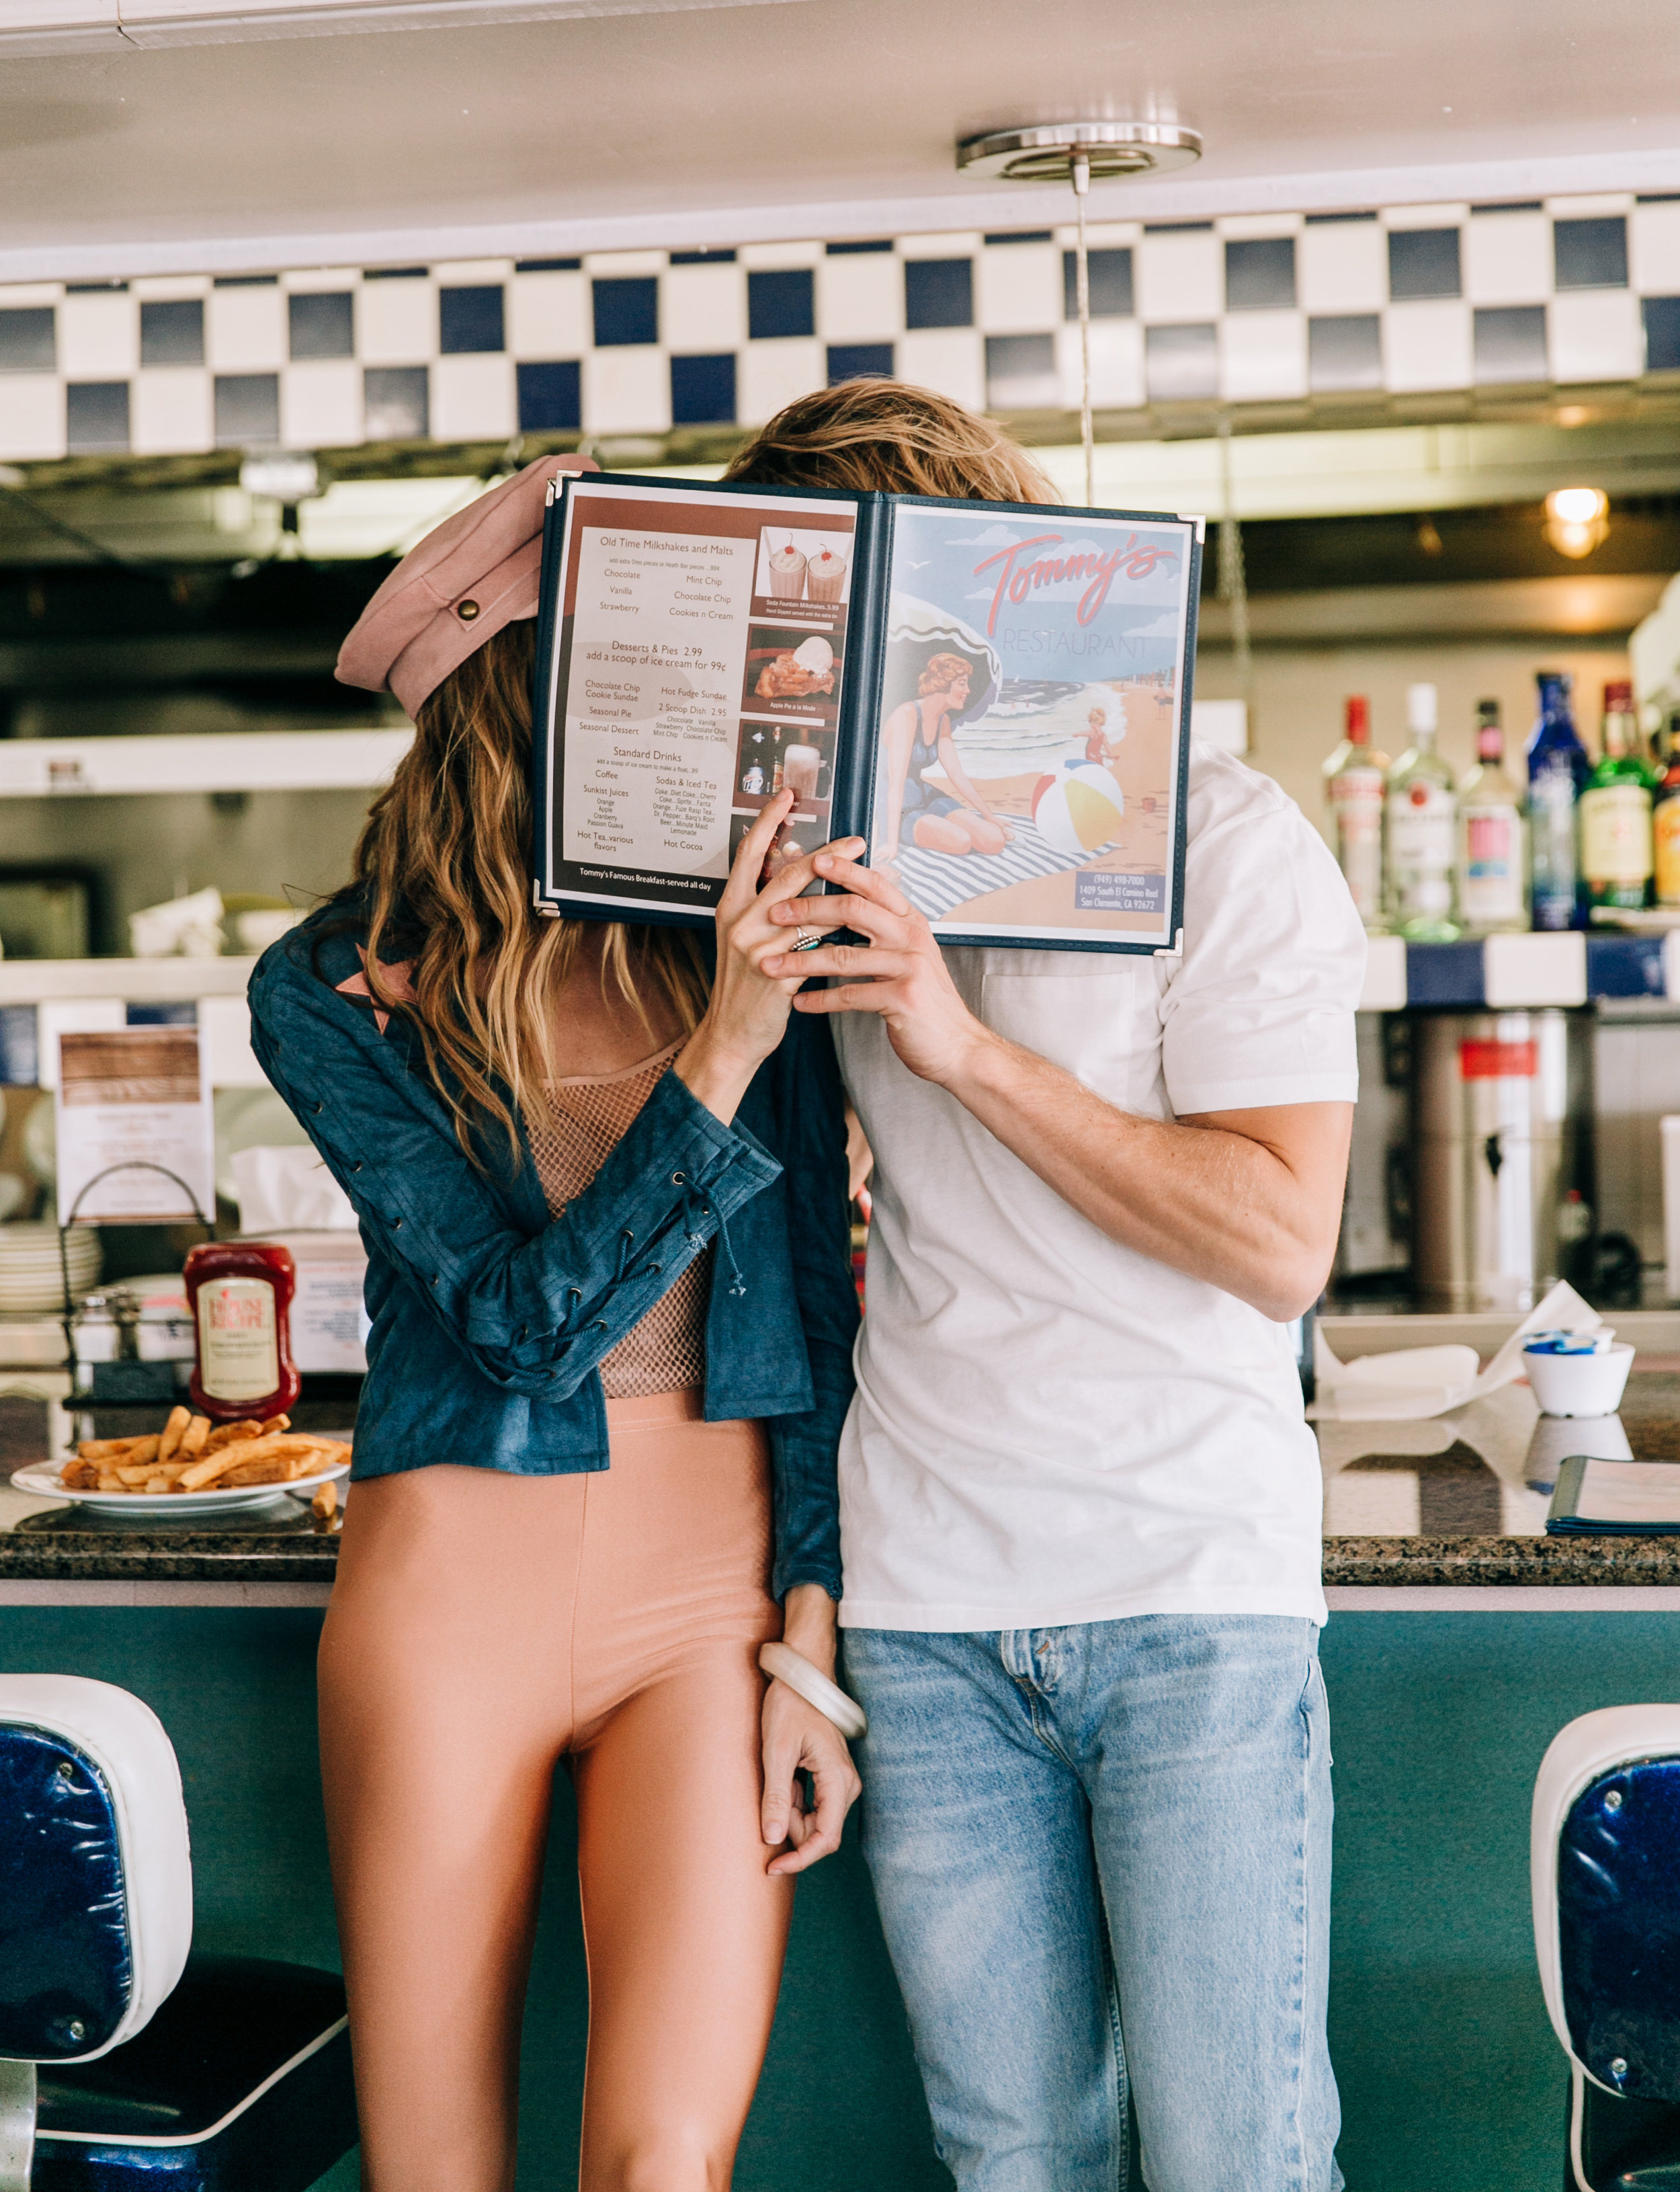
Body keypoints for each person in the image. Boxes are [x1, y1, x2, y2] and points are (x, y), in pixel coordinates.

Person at [723, 378, 1364, 2192]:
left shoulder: (1224, 838)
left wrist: (957, 1042)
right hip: (926, 1611)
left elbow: (1273, 1238)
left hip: (1189, 1592)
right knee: (1010, 2154)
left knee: (1237, 2157)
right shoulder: (808, 886)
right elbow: (779, 1264)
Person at [247, 456, 863, 2192]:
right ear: (526, 718)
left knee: (666, 2159)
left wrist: (808, 1630)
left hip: (710, 1605)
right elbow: (527, 1326)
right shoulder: (333, 989)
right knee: (434, 2165)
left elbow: (815, 1295)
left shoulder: (739, 939)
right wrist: (724, 1053)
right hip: (453, 1594)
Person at [877, 651, 1010, 864]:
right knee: (961, 841)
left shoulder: (943, 721)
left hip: (924, 794)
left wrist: (989, 815)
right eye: (962, 683)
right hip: (896, 802)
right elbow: (895, 783)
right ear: (944, 683)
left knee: (993, 840)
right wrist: (890, 842)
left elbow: (957, 775)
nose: (967, 691)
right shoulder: (907, 715)